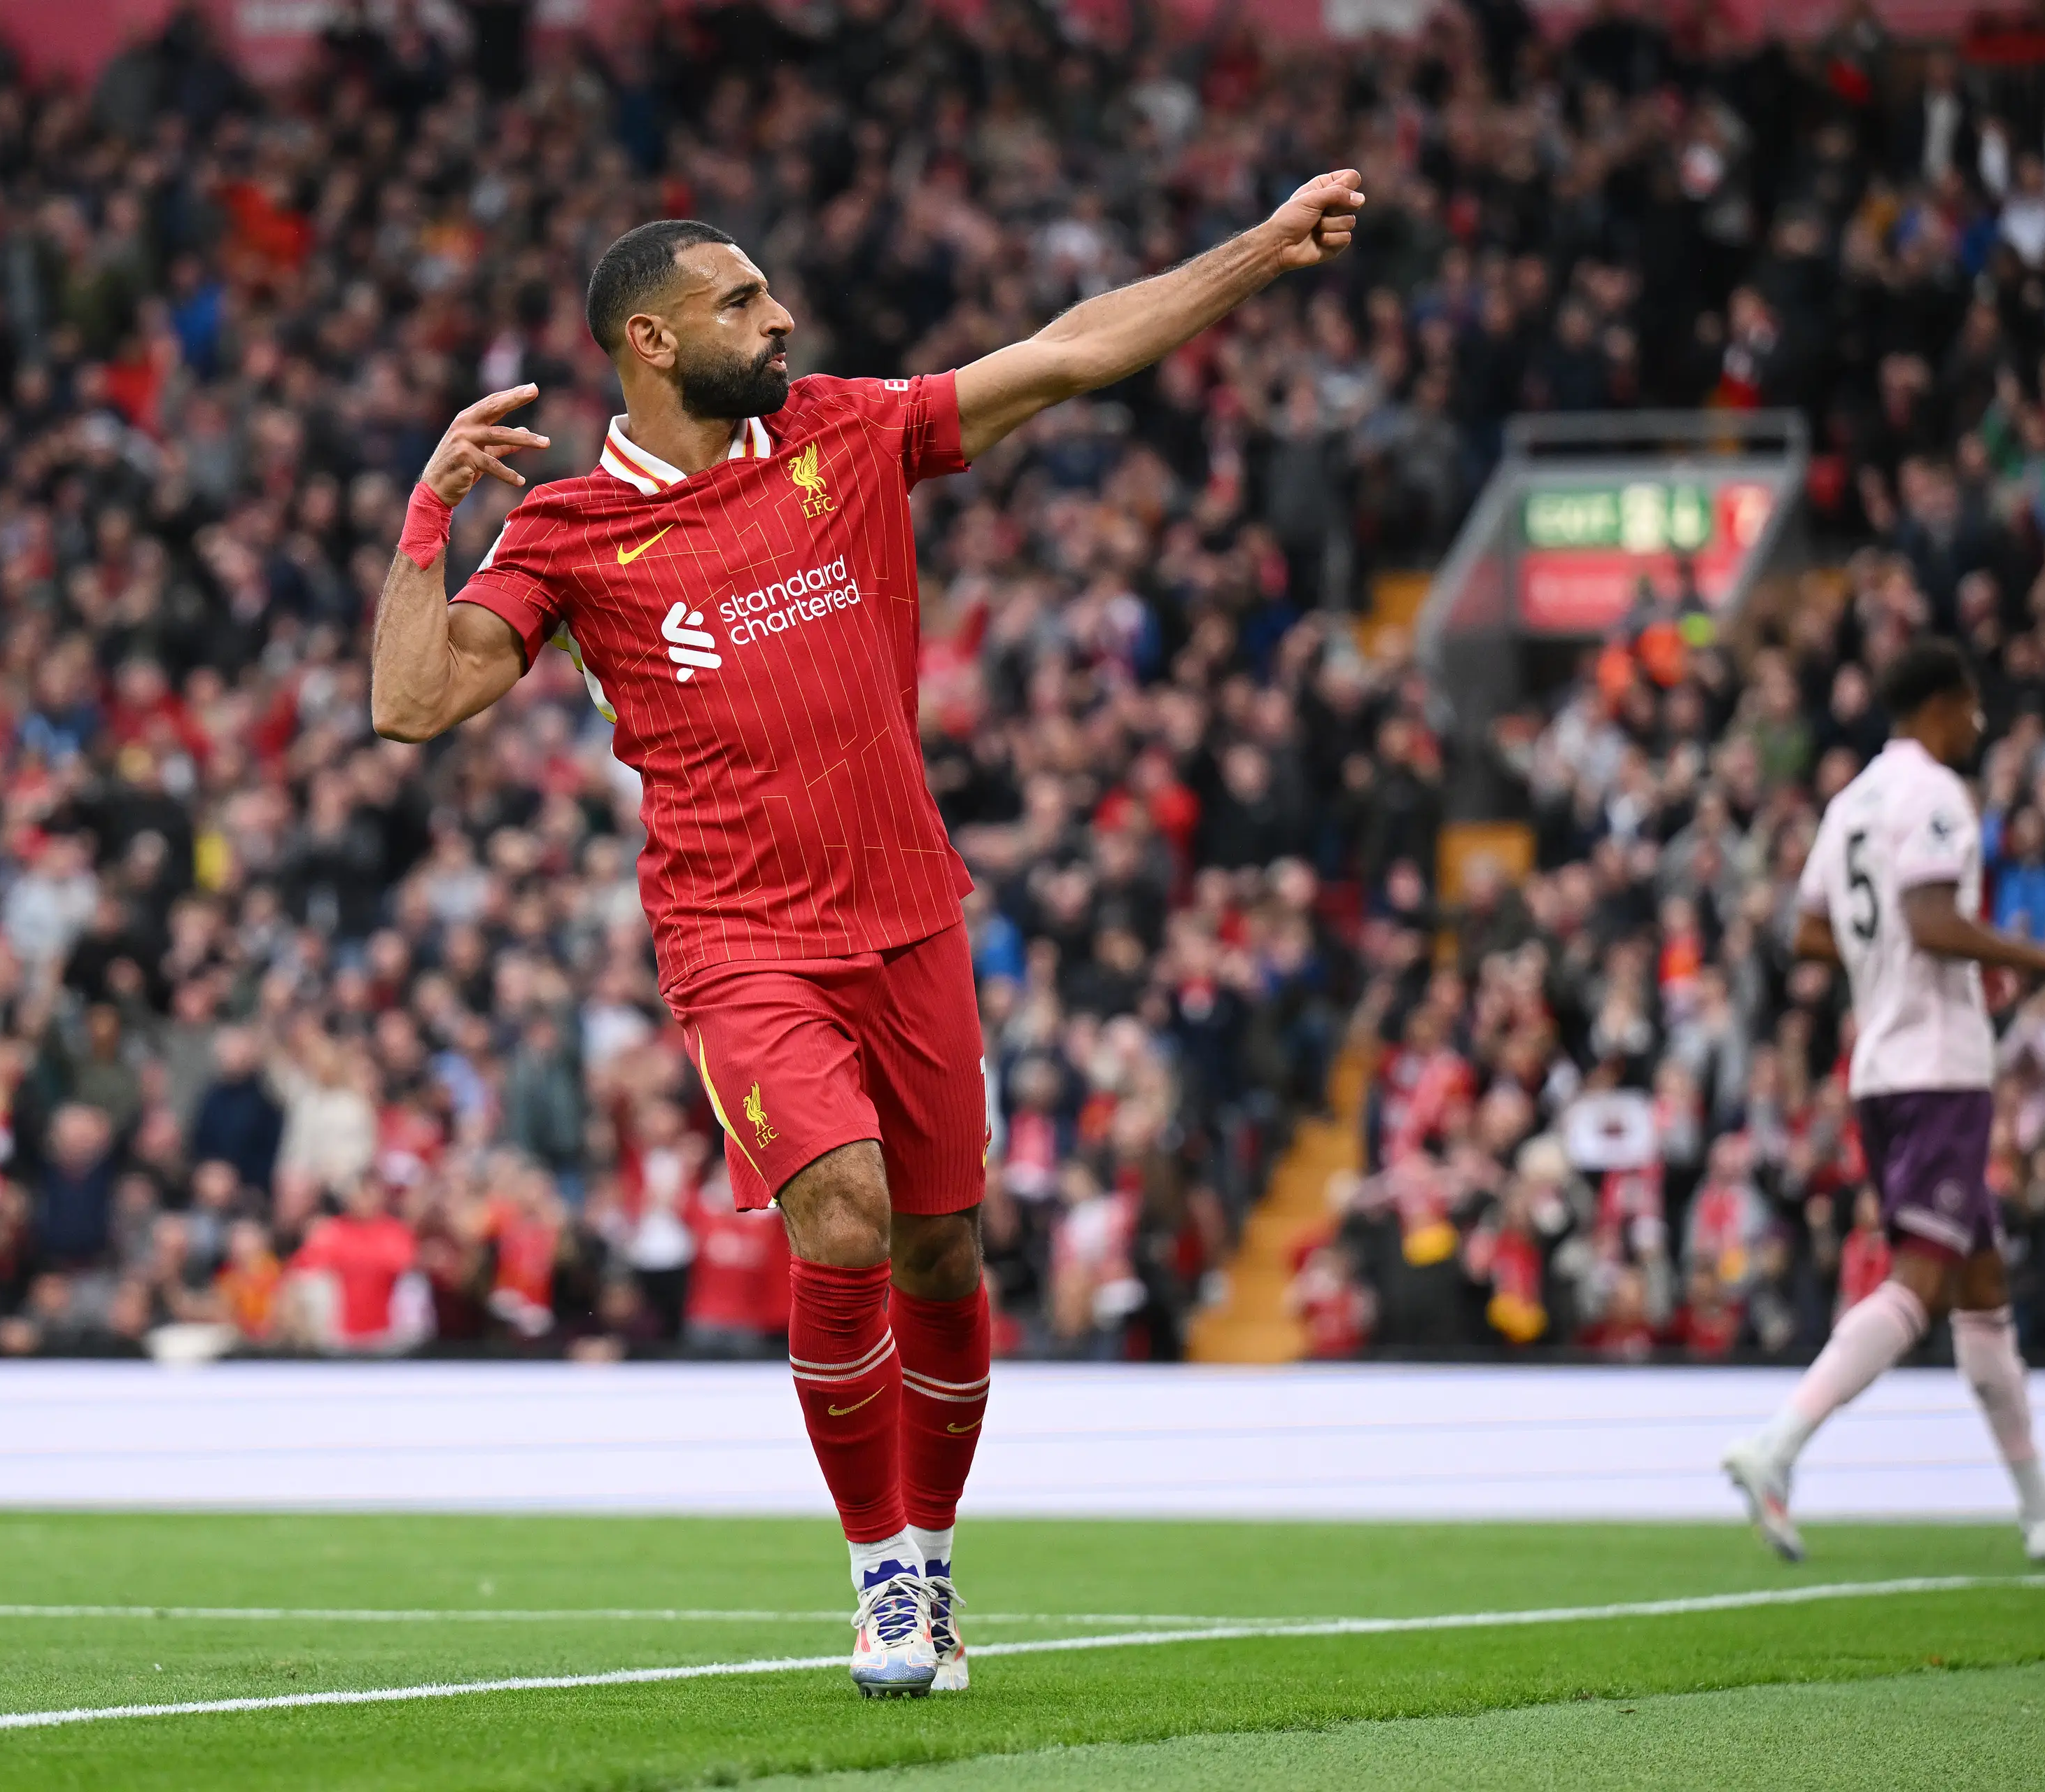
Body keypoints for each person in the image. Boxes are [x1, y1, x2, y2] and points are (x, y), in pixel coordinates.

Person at [370, 176, 1367, 1695]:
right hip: (736, 937)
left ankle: (937, 1552)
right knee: (838, 1208)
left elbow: (1069, 351)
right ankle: (881, 1572)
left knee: (942, 1245)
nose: (780, 320)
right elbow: (411, 701)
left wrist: (1259, 250)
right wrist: (432, 511)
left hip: (909, 915)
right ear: (650, 338)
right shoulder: (567, 531)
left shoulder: (846, 431)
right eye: (743, 302)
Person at [1723, 640, 2045, 1562]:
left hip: (1881, 1066)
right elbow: (1928, 920)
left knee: (1980, 1287)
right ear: (1944, 705)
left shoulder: (1851, 803)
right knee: (1921, 1277)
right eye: (1972, 709)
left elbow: (1807, 931)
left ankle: (2044, 1513)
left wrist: (1884, 965)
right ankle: (1777, 1444)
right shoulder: (1938, 796)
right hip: (1937, 1067)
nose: (1980, 725)